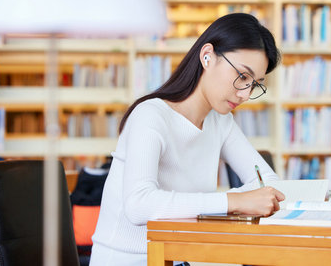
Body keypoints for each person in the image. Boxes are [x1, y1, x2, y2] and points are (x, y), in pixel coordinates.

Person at [90, 13, 285, 266]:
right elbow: (139, 205)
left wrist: (245, 200)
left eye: (254, 84)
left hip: (185, 255)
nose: (245, 94)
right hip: (132, 259)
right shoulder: (150, 116)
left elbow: (267, 181)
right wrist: (236, 201)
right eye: (242, 76)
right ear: (207, 56)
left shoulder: (220, 121)